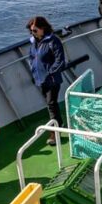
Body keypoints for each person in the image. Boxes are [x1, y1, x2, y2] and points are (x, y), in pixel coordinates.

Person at [27, 16, 66, 146]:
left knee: (51, 104)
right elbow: (32, 57)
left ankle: (55, 132)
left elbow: (60, 60)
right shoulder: (34, 42)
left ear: (43, 28)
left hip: (52, 80)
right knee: (51, 104)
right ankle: (59, 124)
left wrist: (50, 73)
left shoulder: (53, 41)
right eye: (31, 31)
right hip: (40, 79)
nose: (33, 33)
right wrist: (33, 68)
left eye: (35, 30)